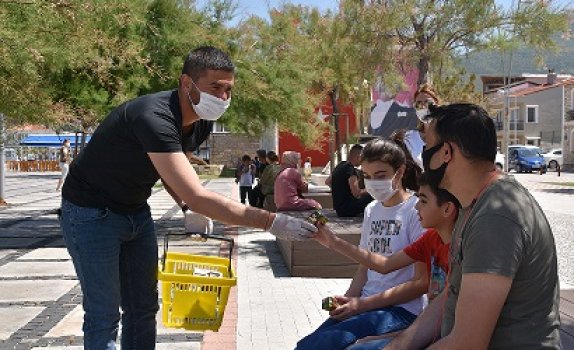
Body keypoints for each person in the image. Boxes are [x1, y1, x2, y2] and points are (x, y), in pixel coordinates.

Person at [59, 46, 316, 350]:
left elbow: (173, 169)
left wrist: (184, 205)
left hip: (135, 211)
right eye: (215, 88)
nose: (222, 98)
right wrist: (270, 221)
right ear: (186, 83)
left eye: (228, 89)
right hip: (91, 212)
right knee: (103, 315)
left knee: (143, 308)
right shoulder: (153, 117)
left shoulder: (200, 121)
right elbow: (196, 194)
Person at [384, 103, 561, 349]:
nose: (422, 155)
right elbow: (452, 292)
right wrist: (400, 345)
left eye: (427, 146)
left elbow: (467, 343)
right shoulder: (473, 205)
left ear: (446, 152)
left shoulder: (495, 216)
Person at [295, 134, 425, 350]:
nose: (373, 182)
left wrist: (361, 305)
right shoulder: (371, 209)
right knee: (307, 345)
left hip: (401, 310)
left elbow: (421, 283)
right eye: (367, 175)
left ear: (400, 171)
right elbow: (364, 269)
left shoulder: (416, 211)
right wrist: (347, 301)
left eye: (380, 175)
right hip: (365, 305)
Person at [313, 173, 460, 350]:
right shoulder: (429, 239)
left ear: (447, 209)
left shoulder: (462, 249)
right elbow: (384, 264)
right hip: (425, 327)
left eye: (423, 201)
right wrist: (333, 242)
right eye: (366, 175)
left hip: (436, 330)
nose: (416, 207)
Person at [326, 144, 373, 217]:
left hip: (339, 209)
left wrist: (340, 190)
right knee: (373, 196)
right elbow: (356, 193)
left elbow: (327, 181)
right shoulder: (350, 170)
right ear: (359, 157)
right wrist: (370, 189)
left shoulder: (340, 165)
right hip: (348, 209)